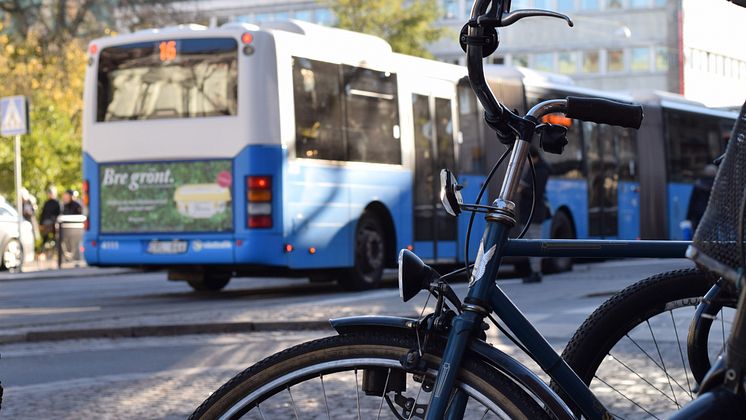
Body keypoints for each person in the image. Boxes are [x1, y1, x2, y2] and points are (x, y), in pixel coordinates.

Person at [516, 146, 552, 283]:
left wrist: (523, 190)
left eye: (526, 158)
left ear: (533, 157)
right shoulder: (533, 169)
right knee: (528, 243)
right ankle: (534, 270)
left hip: (534, 212)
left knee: (534, 243)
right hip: (527, 211)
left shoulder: (541, 171)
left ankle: (537, 272)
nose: (525, 162)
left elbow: (537, 193)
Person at [686, 164, 718, 233]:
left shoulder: (698, 184)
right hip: (714, 214)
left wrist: (688, 218)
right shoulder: (718, 185)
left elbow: (692, 202)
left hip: (699, 215)